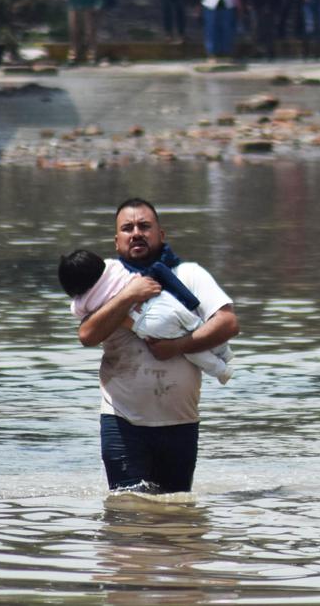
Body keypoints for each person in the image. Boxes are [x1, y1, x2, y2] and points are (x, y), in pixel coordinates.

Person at [76, 198, 239, 493]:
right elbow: (87, 335)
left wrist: (178, 345)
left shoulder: (189, 275)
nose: (136, 232)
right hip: (123, 420)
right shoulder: (104, 283)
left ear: (161, 235)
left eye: (144, 226)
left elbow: (228, 324)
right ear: (117, 241)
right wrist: (128, 296)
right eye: (127, 228)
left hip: (181, 422)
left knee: (175, 516)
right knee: (128, 513)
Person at [60, 249, 234, 383]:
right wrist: (131, 293)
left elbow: (79, 313)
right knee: (196, 327)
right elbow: (87, 335)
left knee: (190, 350)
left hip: (146, 321)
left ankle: (221, 371)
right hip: (163, 300)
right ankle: (225, 353)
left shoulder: (87, 303)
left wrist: (176, 347)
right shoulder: (115, 268)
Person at [200, 0, 240, 64]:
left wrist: (239, 7)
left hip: (227, 7)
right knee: (211, 31)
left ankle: (227, 53)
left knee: (227, 30)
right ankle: (211, 54)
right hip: (210, 7)